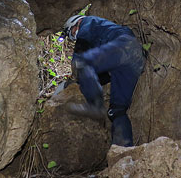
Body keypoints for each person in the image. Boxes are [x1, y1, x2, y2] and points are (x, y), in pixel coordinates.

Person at [62, 15, 145, 147]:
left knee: (82, 62)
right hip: (134, 58)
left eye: (72, 32)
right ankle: (123, 152)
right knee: (117, 111)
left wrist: (75, 76)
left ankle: (95, 105)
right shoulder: (104, 38)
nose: (74, 37)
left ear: (76, 22)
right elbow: (101, 76)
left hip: (123, 45)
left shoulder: (88, 22)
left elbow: (81, 52)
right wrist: (83, 82)